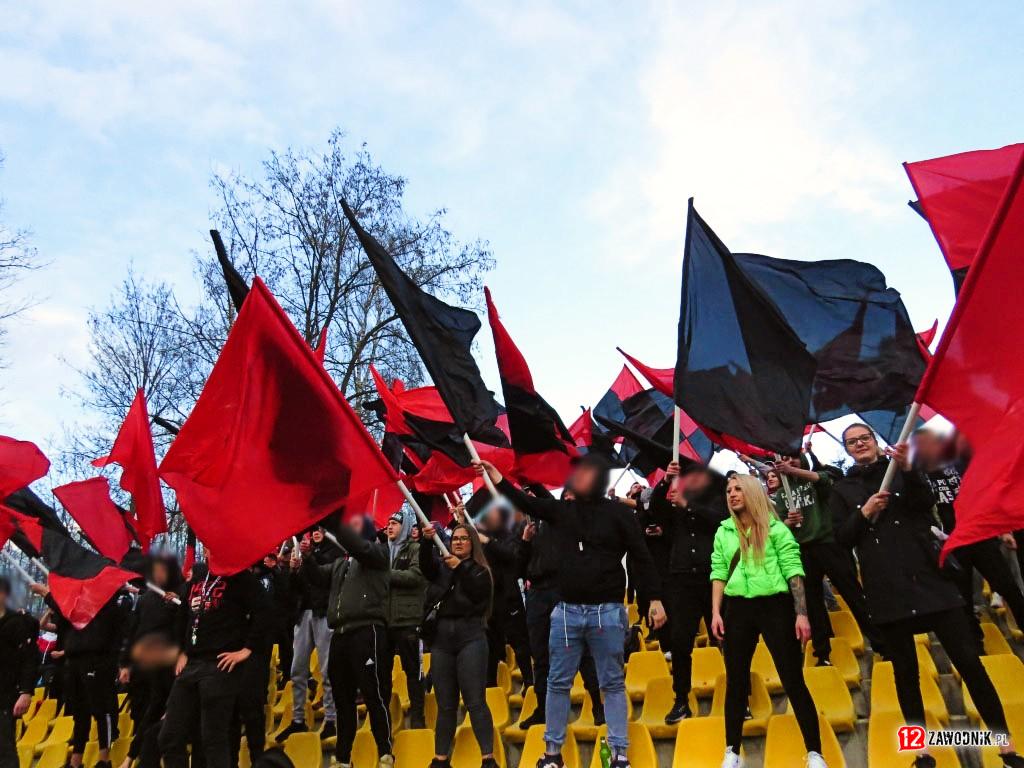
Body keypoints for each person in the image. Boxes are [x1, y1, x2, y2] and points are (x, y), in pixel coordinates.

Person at [831, 423, 1024, 768]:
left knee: (969, 665)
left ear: (875, 442)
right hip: (887, 590)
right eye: (852, 442)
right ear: (846, 450)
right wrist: (864, 513)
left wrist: (908, 470)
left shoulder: (904, 472)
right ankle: (923, 750)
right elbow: (842, 538)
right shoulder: (842, 488)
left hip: (931, 582)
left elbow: (925, 503)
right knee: (906, 675)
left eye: (864, 438)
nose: (859, 445)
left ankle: (1005, 746)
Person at [474, 454, 666, 768]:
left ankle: (619, 753)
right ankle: (552, 755)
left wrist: (655, 599)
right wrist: (496, 478)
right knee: (557, 682)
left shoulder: (619, 514)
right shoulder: (562, 512)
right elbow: (526, 501)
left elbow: (642, 557)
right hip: (566, 613)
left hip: (607, 611)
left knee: (612, 683)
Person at [711, 473, 826, 768]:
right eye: (728, 490)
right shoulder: (723, 531)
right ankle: (731, 753)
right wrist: (715, 612)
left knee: (792, 679)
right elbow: (719, 573)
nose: (732, 494)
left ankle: (815, 753)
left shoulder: (776, 530)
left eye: (738, 489)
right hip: (736, 609)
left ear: (752, 493)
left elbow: (793, 569)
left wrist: (801, 613)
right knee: (736, 681)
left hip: (776, 606)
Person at [913, 427, 1024, 652]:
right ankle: (975, 643)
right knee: (963, 599)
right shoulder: (919, 477)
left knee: (1008, 587)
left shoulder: (961, 465)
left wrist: (1003, 530)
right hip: (950, 543)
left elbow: (988, 495)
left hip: (980, 535)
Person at [766, 454, 885, 663]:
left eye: (793, 459)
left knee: (854, 595)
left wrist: (793, 470)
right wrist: (789, 522)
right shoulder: (783, 490)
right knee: (812, 604)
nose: (789, 462)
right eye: (784, 459)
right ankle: (822, 653)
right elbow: (780, 525)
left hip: (828, 543)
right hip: (803, 548)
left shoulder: (812, 479)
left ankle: (881, 644)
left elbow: (824, 480)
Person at [158, 562, 271, 768]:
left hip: (220, 665)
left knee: (213, 739)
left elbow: (264, 610)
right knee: (169, 736)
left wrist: (247, 649)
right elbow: (183, 614)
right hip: (191, 664)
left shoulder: (239, 574)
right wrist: (182, 650)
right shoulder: (199, 575)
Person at [302, 517, 394, 768]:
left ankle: (386, 752)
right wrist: (308, 558)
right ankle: (343, 758)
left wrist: (335, 523)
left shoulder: (378, 554)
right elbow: (318, 578)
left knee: (373, 693)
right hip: (341, 634)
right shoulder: (340, 565)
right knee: (343, 699)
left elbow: (361, 548)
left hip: (367, 630)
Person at [645, 461, 726, 724]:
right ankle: (681, 699)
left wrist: (689, 505)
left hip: (713, 577)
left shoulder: (716, 500)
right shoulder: (672, 502)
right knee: (680, 643)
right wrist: (665, 482)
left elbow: (721, 520)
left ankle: (741, 695)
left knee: (726, 638)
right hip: (680, 580)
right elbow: (653, 512)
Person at [513, 489, 602, 731]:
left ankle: (597, 704)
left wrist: (531, 481)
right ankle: (542, 708)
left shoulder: (566, 520)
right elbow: (519, 569)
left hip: (566, 589)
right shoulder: (530, 528)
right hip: (538, 595)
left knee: (582, 651)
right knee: (540, 655)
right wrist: (525, 542)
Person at [419, 521, 497, 768]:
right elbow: (425, 567)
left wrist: (461, 568)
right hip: (442, 641)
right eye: (455, 538)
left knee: (475, 701)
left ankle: (488, 758)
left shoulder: (480, 570)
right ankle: (440, 759)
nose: (458, 542)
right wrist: (425, 541)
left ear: (472, 543)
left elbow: (478, 592)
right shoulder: (443, 568)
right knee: (445, 705)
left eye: (464, 538)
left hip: (471, 637)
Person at [34, 583, 128, 768]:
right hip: (74, 663)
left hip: (97, 664)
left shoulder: (108, 609)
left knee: (101, 711)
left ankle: (104, 760)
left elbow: (114, 637)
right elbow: (65, 613)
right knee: (79, 712)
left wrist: (46, 593)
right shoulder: (79, 607)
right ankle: (76, 761)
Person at [118, 555, 183, 768]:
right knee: (141, 714)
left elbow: (184, 629)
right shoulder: (146, 599)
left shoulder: (180, 596)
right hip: (142, 668)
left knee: (157, 715)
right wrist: (125, 664)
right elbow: (133, 632)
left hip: (167, 668)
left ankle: (135, 758)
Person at [276, 528, 339, 743]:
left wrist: (310, 557)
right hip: (304, 614)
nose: (316, 533)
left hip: (324, 614)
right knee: (297, 670)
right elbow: (294, 589)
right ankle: (298, 719)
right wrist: (293, 571)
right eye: (313, 530)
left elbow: (325, 577)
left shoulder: (334, 550)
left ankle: (331, 719)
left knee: (327, 669)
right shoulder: (302, 553)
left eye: (321, 529)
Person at [233, 552, 290, 763]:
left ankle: (258, 758)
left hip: (256, 651)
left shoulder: (266, 580)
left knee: (253, 708)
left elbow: (280, 600)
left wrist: (276, 569)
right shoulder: (233, 583)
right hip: (233, 654)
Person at [385, 509, 428, 728]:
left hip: (408, 620)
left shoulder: (415, 549)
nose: (389, 527)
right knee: (381, 671)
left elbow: (416, 576)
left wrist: (385, 575)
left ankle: (418, 717)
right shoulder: (383, 552)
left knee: (413, 671)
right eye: (388, 524)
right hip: (386, 621)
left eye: (394, 523)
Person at [0, 576, 39, 768]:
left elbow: (30, 660)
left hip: (5, 696)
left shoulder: (17, 624)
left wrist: (26, 692)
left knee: (4, 749)